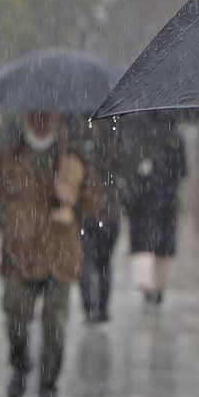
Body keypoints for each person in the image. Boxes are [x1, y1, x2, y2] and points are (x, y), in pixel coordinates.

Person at [0, 109, 102, 397]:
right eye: (35, 117)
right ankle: (20, 366)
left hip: (60, 253)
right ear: (25, 119)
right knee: (16, 316)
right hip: (20, 253)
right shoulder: (7, 159)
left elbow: (96, 200)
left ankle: (49, 385)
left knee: (55, 325)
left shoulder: (73, 159)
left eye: (47, 117)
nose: (41, 123)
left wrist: (74, 197)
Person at [121, 112, 187, 305]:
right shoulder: (173, 137)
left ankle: (151, 289)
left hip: (151, 203)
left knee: (150, 246)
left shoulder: (139, 136)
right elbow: (182, 171)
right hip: (157, 203)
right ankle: (154, 289)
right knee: (157, 247)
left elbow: (181, 170)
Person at [76, 116, 124, 324]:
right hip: (102, 211)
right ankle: (99, 308)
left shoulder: (79, 137)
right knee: (101, 263)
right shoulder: (114, 136)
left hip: (95, 212)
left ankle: (91, 307)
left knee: (88, 262)